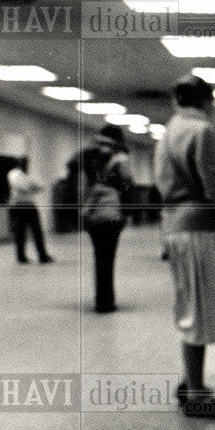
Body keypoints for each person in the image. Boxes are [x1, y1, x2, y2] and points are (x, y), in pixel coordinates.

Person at [155, 75, 215, 420]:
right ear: (207, 100)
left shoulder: (168, 132)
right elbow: (214, 185)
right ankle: (195, 394)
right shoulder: (202, 130)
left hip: (175, 225)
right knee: (199, 308)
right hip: (199, 226)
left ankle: (189, 381)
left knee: (191, 302)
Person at [75, 124, 133, 313]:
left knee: (99, 256)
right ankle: (105, 301)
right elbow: (127, 186)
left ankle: (101, 298)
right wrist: (126, 211)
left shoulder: (89, 157)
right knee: (108, 257)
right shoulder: (120, 159)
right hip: (111, 211)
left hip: (92, 211)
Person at [7, 156, 53, 264]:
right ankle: (21, 257)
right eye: (23, 162)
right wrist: (32, 187)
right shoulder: (14, 174)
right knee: (20, 232)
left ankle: (43, 256)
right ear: (19, 163)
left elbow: (40, 186)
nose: (25, 165)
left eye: (26, 163)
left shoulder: (28, 175)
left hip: (30, 205)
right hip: (18, 206)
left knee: (37, 230)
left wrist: (31, 187)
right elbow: (22, 187)